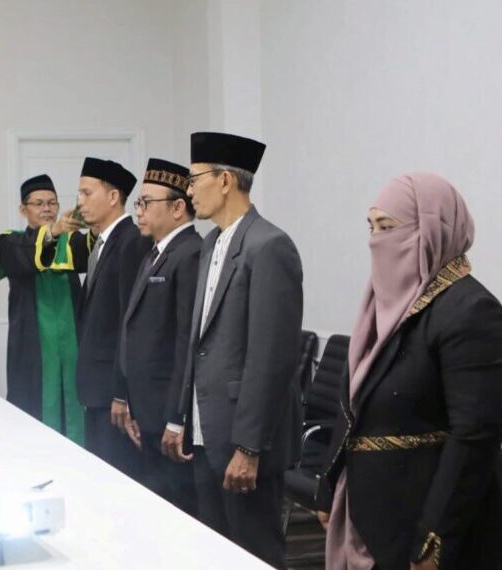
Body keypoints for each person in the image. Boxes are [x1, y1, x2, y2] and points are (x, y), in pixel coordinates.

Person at [318, 174, 502, 570]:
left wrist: (433, 541)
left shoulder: (471, 311)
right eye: (371, 227)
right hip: (374, 519)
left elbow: (474, 436)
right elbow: (355, 401)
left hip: (437, 530)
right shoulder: (383, 308)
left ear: (433, 229)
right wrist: (330, 484)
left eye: (388, 226)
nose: (376, 240)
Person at [170, 132, 303, 568]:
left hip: (243, 440)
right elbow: (200, 342)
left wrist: (249, 447)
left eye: (194, 180)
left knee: (254, 552)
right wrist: (182, 418)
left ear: (225, 180)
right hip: (207, 429)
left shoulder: (269, 245)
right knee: (215, 552)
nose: (189, 191)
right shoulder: (212, 243)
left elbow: (271, 359)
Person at [39, 157, 152, 475]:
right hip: (97, 390)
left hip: (113, 395)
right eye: (79, 194)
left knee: (120, 477)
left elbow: (130, 324)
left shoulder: (130, 241)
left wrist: (122, 393)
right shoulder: (102, 242)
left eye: (87, 193)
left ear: (114, 197)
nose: (80, 203)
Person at [117, 159, 200, 514]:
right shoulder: (156, 252)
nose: (139, 210)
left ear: (178, 208)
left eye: (147, 202)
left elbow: (186, 342)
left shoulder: (189, 254)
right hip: (146, 410)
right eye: (139, 202)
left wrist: (176, 417)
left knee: (177, 510)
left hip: (167, 412)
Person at [0, 174, 83, 444]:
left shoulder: (71, 241)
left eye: (52, 203)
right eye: (39, 203)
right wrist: (54, 232)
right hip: (33, 349)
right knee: (33, 415)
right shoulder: (11, 241)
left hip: (73, 346)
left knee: (75, 411)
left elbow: (93, 251)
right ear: (23, 210)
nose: (47, 208)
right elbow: (25, 256)